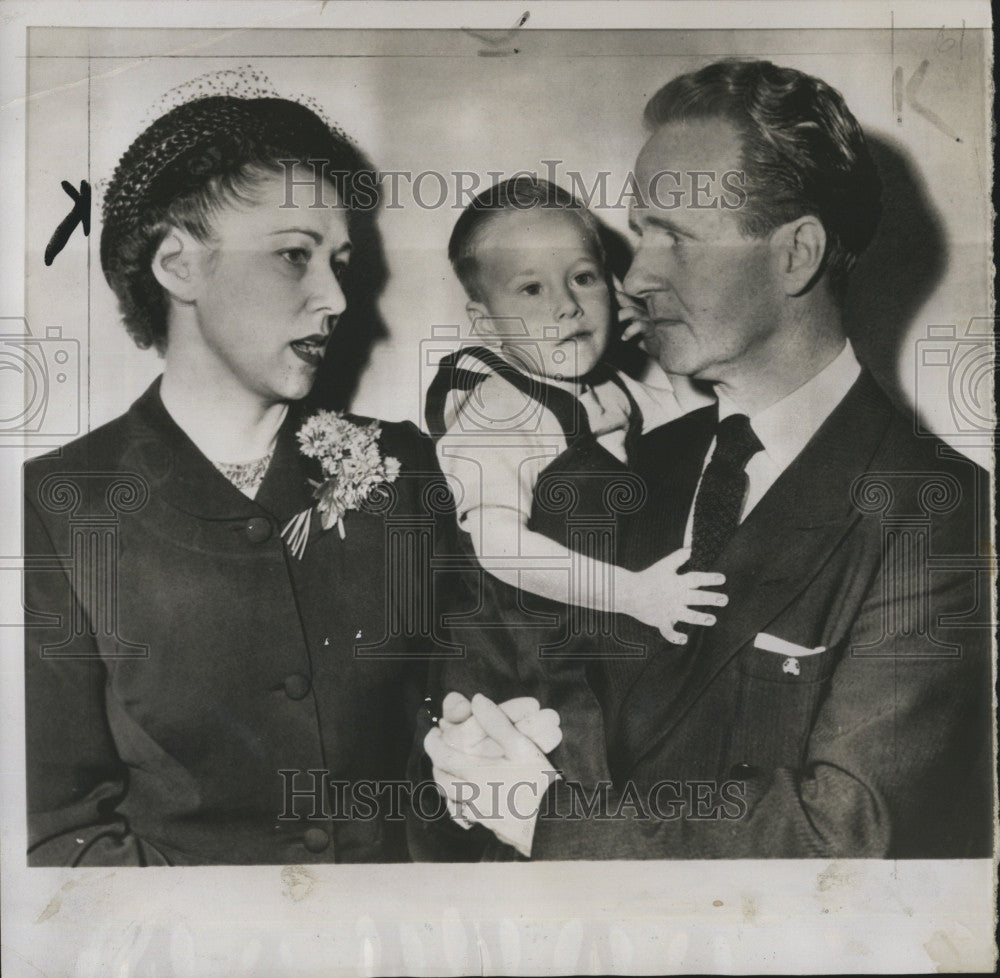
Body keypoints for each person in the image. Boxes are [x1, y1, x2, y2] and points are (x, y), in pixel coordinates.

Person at [424, 59, 994, 859]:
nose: (636, 273)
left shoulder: (942, 512)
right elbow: (518, 656)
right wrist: (477, 734)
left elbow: (847, 835)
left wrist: (545, 819)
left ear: (796, 254)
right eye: (640, 230)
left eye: (675, 237)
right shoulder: (615, 464)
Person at [23, 91, 452, 865]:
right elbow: (60, 836)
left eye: (341, 264)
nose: (336, 299)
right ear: (179, 265)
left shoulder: (406, 469)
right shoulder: (54, 507)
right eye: (295, 254)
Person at [422, 177, 724, 794]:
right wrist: (633, 594)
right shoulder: (498, 409)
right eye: (531, 289)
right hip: (525, 666)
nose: (566, 305)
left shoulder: (621, 390)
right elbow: (499, 545)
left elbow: (689, 454)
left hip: (603, 648)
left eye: (583, 278)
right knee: (567, 809)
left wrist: (662, 348)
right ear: (485, 321)